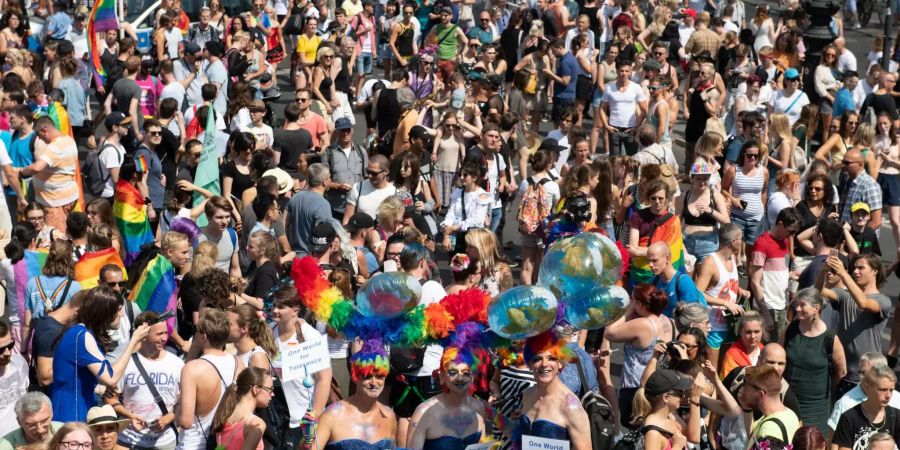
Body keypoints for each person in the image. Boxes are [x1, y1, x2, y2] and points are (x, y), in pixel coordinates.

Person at [49, 286, 151, 422]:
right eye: (119, 310)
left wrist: (99, 388)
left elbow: (83, 375)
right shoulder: (82, 335)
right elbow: (110, 378)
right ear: (104, 312)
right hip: (73, 409)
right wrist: (133, 341)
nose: (122, 314)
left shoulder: (80, 332)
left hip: (75, 403)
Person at [816, 253, 892, 399]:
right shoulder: (844, 295)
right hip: (842, 373)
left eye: (861, 268)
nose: (856, 271)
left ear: (874, 271)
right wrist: (822, 271)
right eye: (854, 268)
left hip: (868, 375)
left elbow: (863, 303)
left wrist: (844, 274)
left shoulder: (883, 301)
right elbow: (819, 291)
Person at [106, 311, 183, 450]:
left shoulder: (177, 364)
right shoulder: (126, 363)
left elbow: (183, 403)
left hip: (165, 443)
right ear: (144, 334)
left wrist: (168, 418)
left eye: (166, 333)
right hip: (129, 441)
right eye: (159, 334)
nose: (164, 338)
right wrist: (129, 415)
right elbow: (111, 399)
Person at [269, 285, 332, 448]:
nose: (275, 310)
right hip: (280, 414)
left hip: (305, 415)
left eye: (281, 307)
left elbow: (324, 378)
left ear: (295, 310)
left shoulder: (310, 336)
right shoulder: (270, 330)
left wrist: (315, 414)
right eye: (274, 305)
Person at [605, 284, 675, 427]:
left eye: (633, 300)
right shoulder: (669, 322)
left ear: (639, 303)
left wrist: (627, 311)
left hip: (636, 389)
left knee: (634, 431)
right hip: (660, 386)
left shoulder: (643, 324)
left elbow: (609, 333)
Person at [509, 330, 591, 450]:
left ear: (560, 364)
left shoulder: (570, 406)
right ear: (530, 364)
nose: (544, 364)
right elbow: (521, 440)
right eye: (537, 359)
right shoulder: (527, 394)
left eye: (551, 358)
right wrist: (490, 413)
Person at [177, 308, 244, 450]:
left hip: (193, 444)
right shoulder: (238, 363)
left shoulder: (192, 369)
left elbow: (186, 421)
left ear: (204, 337)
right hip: (223, 443)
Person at [782, 288, 847, 434]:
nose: (797, 309)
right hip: (787, 400)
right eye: (796, 305)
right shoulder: (791, 328)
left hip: (815, 407)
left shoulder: (830, 339)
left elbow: (841, 371)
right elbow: (779, 352)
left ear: (816, 308)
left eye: (802, 305)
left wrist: (825, 385)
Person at [315, 340, 396, 450]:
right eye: (367, 376)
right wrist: (307, 436)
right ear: (355, 377)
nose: (374, 383)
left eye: (380, 377)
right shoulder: (333, 415)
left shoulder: (389, 416)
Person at [406, 343, 490, 450]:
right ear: (442, 377)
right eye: (453, 372)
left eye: (465, 373)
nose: (460, 378)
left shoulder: (479, 408)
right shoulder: (423, 413)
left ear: (472, 377)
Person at [694, 224, 750, 365]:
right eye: (741, 239)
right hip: (713, 328)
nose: (742, 242)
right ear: (733, 242)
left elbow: (724, 284)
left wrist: (739, 290)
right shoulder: (711, 263)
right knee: (712, 372)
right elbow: (697, 293)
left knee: (726, 371)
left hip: (731, 325)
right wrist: (724, 303)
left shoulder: (732, 258)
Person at [18, 116, 79, 234]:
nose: (40, 140)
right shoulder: (68, 139)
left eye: (39, 136)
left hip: (55, 202)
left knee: (55, 236)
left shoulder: (55, 147)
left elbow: (37, 167)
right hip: (63, 196)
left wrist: (21, 172)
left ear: (45, 130)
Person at [627, 180, 685, 287]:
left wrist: (640, 252)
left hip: (661, 275)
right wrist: (653, 253)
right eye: (653, 198)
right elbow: (632, 248)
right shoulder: (637, 216)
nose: (657, 201)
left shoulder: (673, 221)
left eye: (661, 198)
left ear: (667, 199)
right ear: (649, 199)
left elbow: (669, 252)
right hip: (639, 273)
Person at [832, 366, 900, 450]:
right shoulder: (849, 418)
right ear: (866, 387)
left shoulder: (896, 416)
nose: (888, 395)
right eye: (882, 390)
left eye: (891, 390)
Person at [828, 353, 900, 431]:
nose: (862, 378)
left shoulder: (897, 400)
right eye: (860, 372)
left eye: (868, 373)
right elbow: (834, 438)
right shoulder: (846, 403)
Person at [211, 367, 272, 450]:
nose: (272, 394)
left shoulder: (224, 414)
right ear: (256, 389)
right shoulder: (255, 424)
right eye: (270, 389)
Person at [741, 365, 801, 447]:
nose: (743, 391)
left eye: (746, 387)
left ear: (760, 394)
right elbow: (752, 437)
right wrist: (746, 407)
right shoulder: (790, 414)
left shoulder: (769, 430)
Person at [633, 369, 694, 450]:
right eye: (679, 393)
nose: (683, 396)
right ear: (665, 397)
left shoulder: (671, 417)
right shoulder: (653, 433)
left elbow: (694, 437)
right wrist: (677, 446)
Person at [599, 59, 647, 156]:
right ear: (617, 71)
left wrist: (637, 127)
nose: (624, 73)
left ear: (630, 72)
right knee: (614, 161)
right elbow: (601, 109)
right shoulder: (609, 88)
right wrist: (606, 126)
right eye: (621, 71)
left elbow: (644, 109)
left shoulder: (636, 87)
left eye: (626, 71)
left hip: (630, 130)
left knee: (632, 160)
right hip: (614, 129)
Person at [286, 163, 333, 256]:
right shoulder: (323, 204)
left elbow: (284, 224)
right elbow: (323, 238)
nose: (331, 180)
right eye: (329, 178)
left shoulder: (295, 198)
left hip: (293, 255)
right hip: (310, 258)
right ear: (324, 182)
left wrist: (287, 250)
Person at [647, 242, 705, 316]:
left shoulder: (684, 282)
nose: (650, 265)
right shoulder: (653, 281)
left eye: (654, 260)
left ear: (667, 259)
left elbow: (690, 316)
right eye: (649, 261)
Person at [342, 155, 397, 223]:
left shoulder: (394, 192)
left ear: (386, 172)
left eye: (374, 173)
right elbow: (347, 218)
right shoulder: (358, 188)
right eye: (368, 171)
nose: (369, 176)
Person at [838, 149, 883, 229]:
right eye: (843, 162)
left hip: (859, 240)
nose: (843, 166)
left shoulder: (869, 186)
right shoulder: (849, 182)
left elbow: (876, 221)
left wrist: (858, 237)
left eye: (847, 163)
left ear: (860, 164)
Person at [198, 196, 241, 279]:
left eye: (228, 217)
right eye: (219, 217)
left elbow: (235, 269)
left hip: (224, 288)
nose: (225, 222)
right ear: (208, 217)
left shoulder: (232, 234)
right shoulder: (196, 237)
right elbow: (186, 272)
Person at [0, 320, 27, 437]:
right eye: (0, 349)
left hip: (22, 440)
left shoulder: (20, 363)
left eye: (10, 345)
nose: (7, 352)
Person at [720, 311, 765, 377]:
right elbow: (727, 382)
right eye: (748, 332)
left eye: (756, 332)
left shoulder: (765, 351)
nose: (752, 336)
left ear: (762, 332)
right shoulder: (732, 355)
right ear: (740, 332)